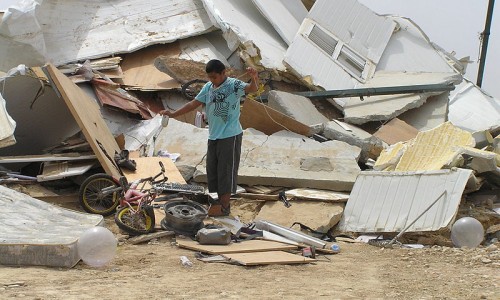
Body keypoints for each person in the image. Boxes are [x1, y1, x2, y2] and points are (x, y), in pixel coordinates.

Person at [159, 59, 259, 216]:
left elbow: (251, 89)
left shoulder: (233, 85)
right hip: (213, 136)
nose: (212, 80)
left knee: (226, 171)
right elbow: (193, 104)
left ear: (223, 73)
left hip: (230, 135)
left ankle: (225, 207)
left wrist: (254, 77)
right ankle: (219, 202)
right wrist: (172, 114)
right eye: (210, 77)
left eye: (215, 77)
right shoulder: (208, 87)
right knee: (214, 170)